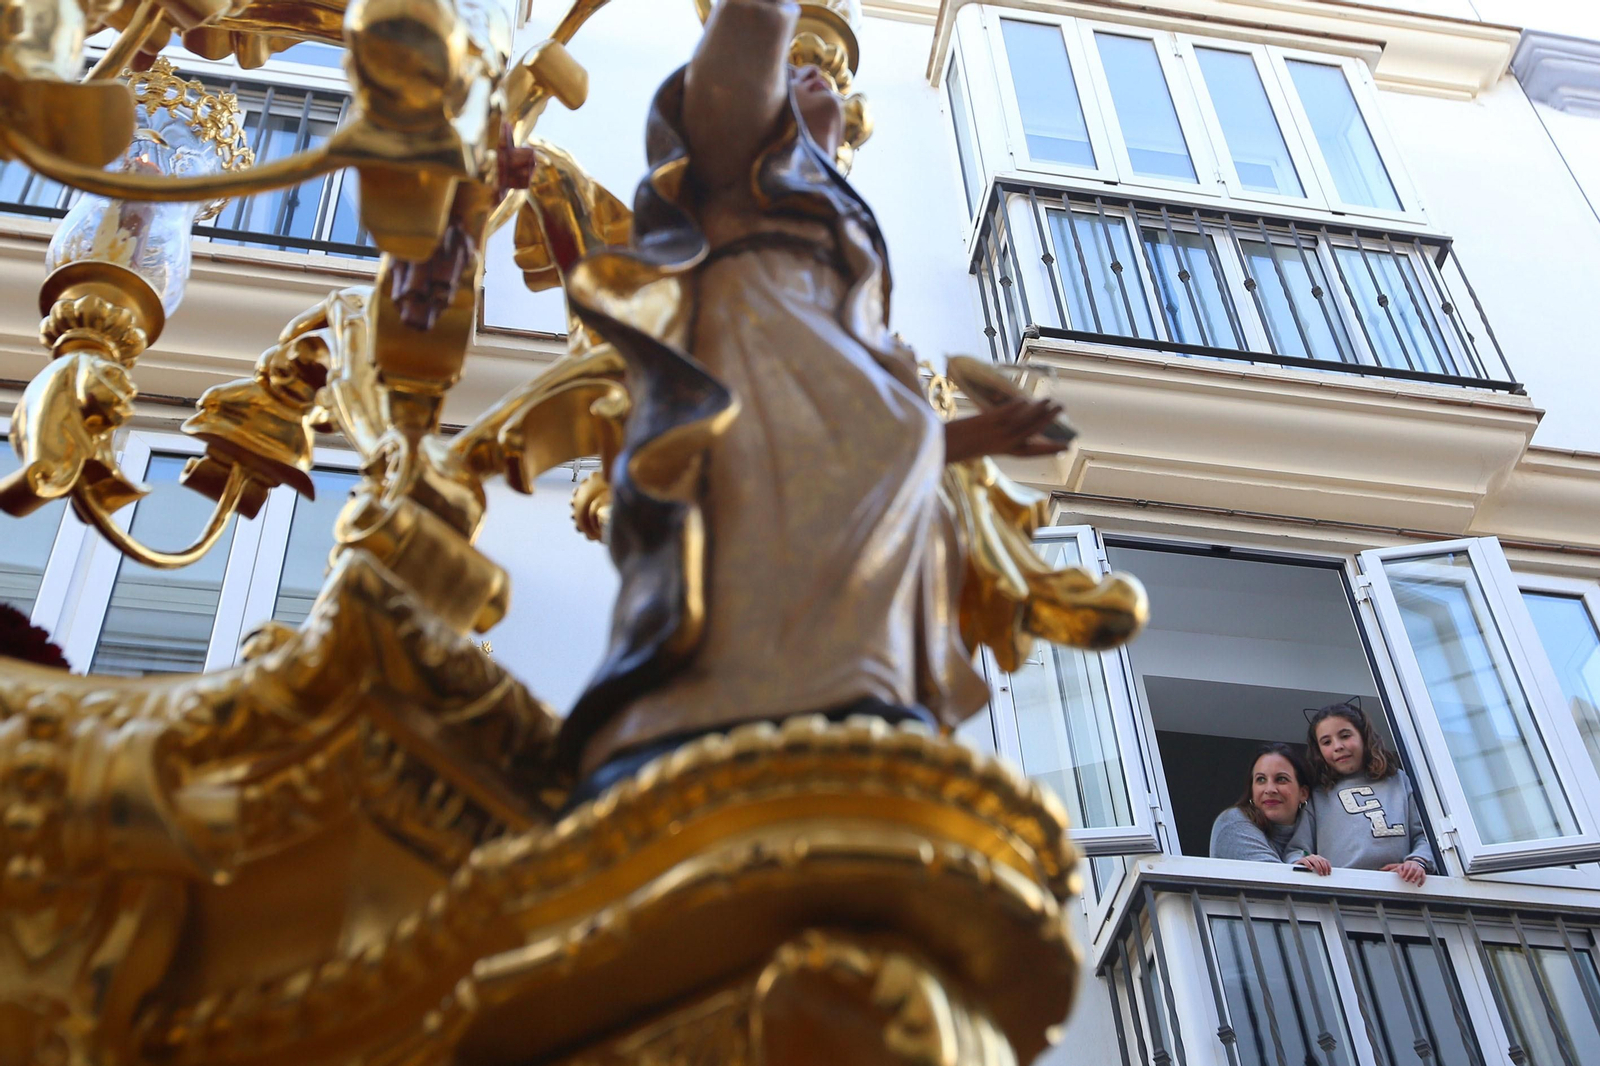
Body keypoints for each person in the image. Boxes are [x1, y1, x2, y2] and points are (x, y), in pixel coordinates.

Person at [553, 0, 1073, 790]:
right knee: (769, 537)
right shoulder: (732, 158)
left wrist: (988, 434)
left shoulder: (836, 219)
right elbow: (755, 20)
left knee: (913, 520)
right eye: (798, 71)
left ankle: (858, 695)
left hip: (831, 403)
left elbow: (883, 433)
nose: (814, 76)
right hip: (759, 370)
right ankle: (731, 709)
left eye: (826, 73)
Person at [1299, 700, 1433, 885]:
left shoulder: (1398, 781)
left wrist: (1417, 861)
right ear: (1319, 751)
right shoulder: (1319, 796)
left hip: (1402, 891)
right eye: (1327, 742)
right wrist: (1305, 861)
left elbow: (1427, 836)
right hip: (1343, 896)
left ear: (1364, 736)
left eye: (1345, 736)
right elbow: (1298, 849)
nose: (1337, 746)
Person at [1210, 743, 1317, 866]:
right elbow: (1276, 881)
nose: (1270, 789)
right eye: (1261, 779)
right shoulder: (1232, 823)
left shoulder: (1317, 832)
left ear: (1303, 793)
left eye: (1281, 779)